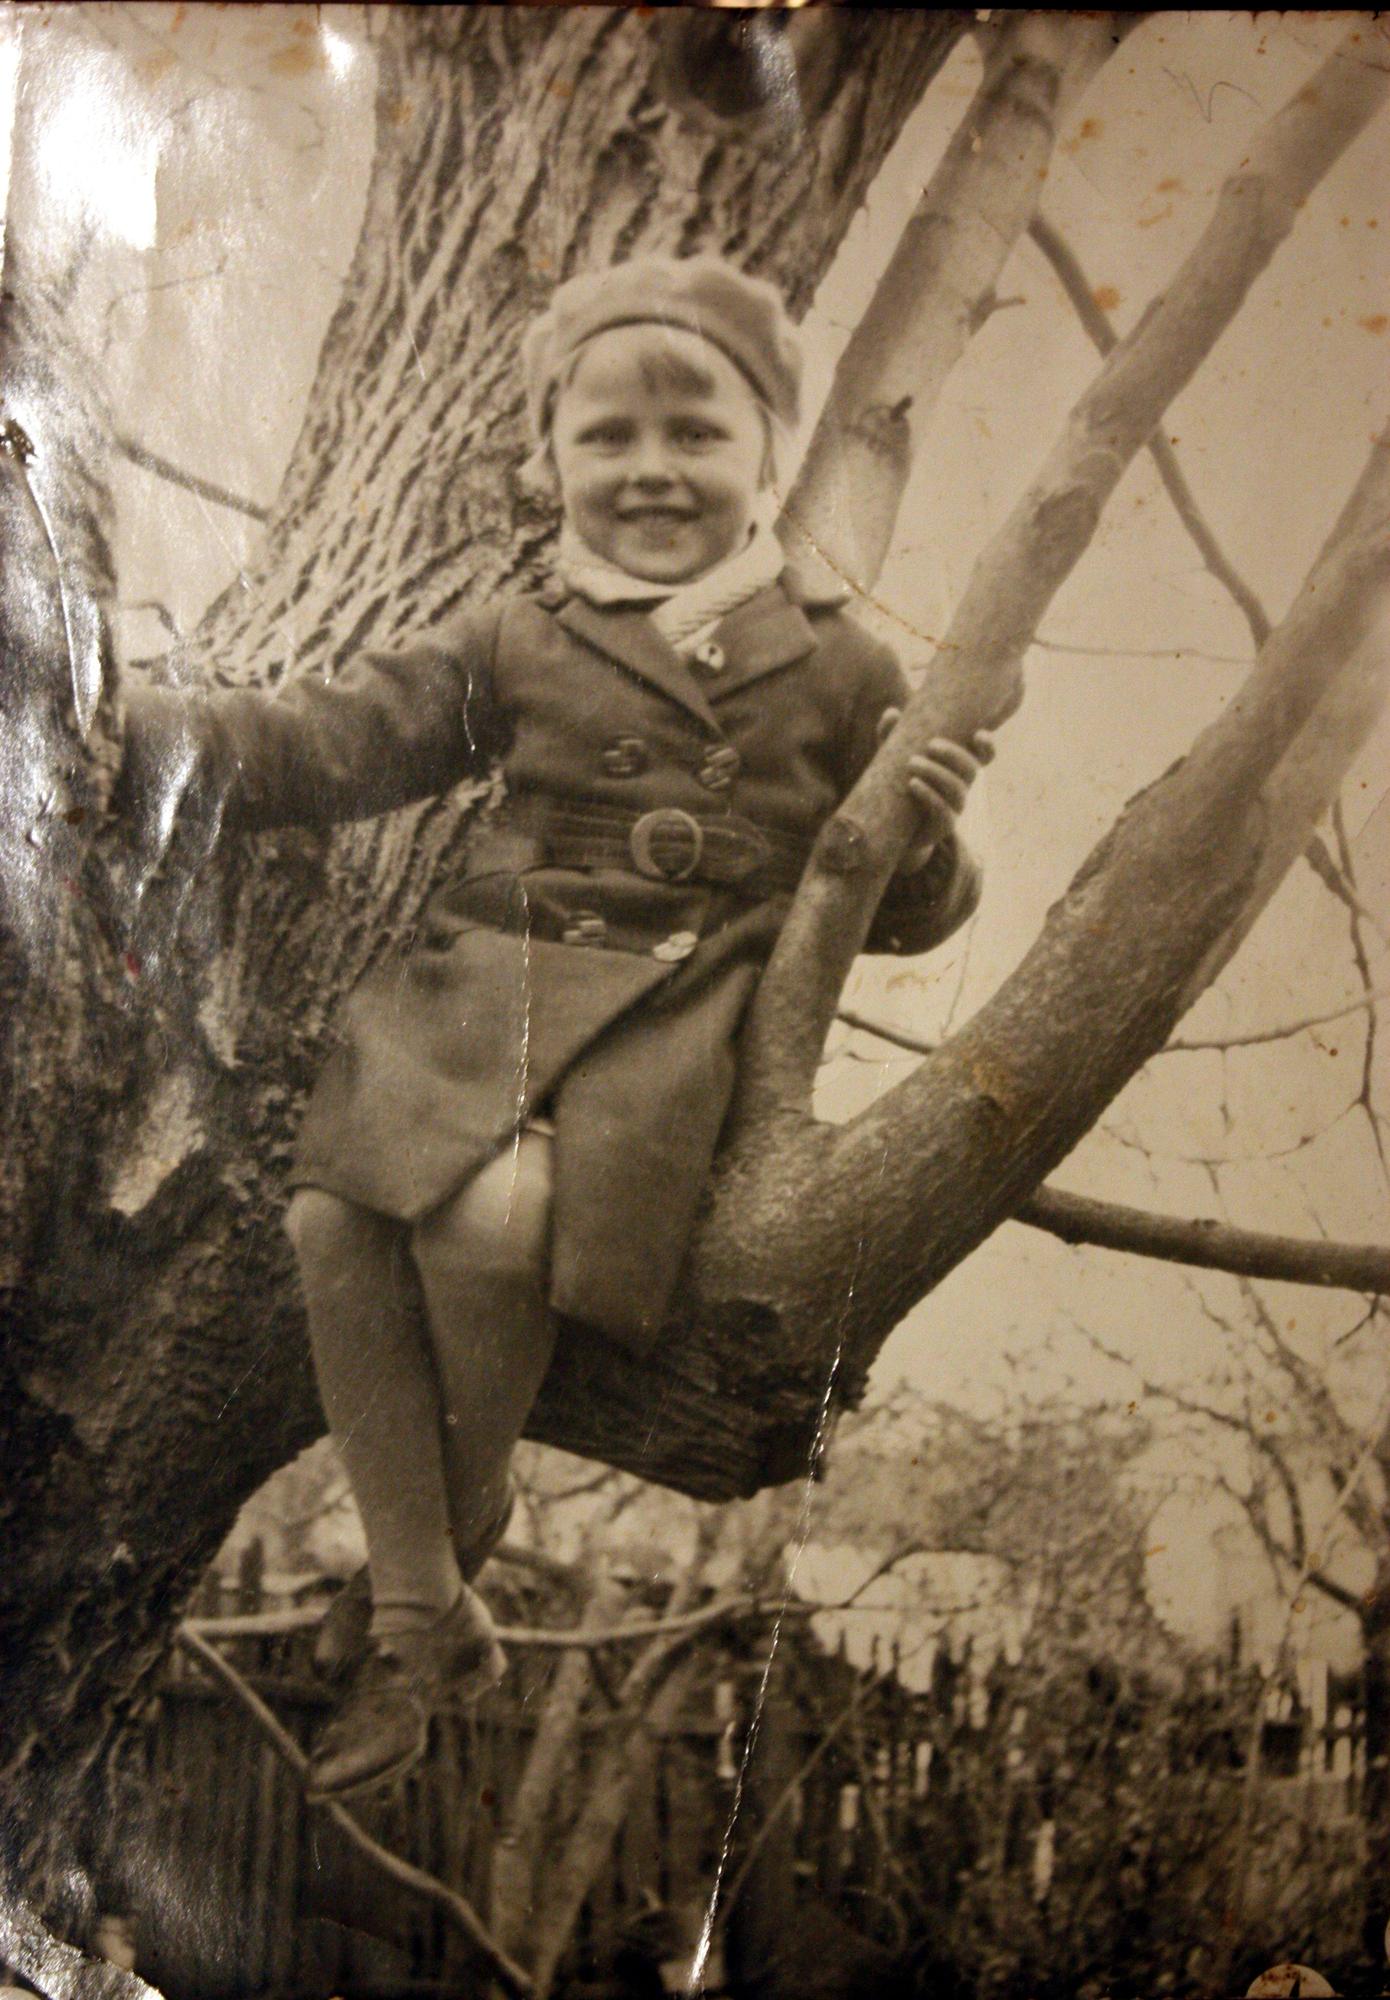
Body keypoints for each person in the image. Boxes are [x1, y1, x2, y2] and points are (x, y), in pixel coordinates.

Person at [119, 257, 991, 1801]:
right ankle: (443, 1570)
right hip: (481, 988)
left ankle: (412, 1603)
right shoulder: (519, 633)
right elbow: (336, 742)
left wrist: (922, 838)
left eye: (695, 434)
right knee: (330, 1217)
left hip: (665, 1021)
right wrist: (141, 735)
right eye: (607, 437)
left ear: (767, 459)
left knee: (494, 1228)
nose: (651, 469)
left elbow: (895, 908)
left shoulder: (841, 663)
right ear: (549, 461)